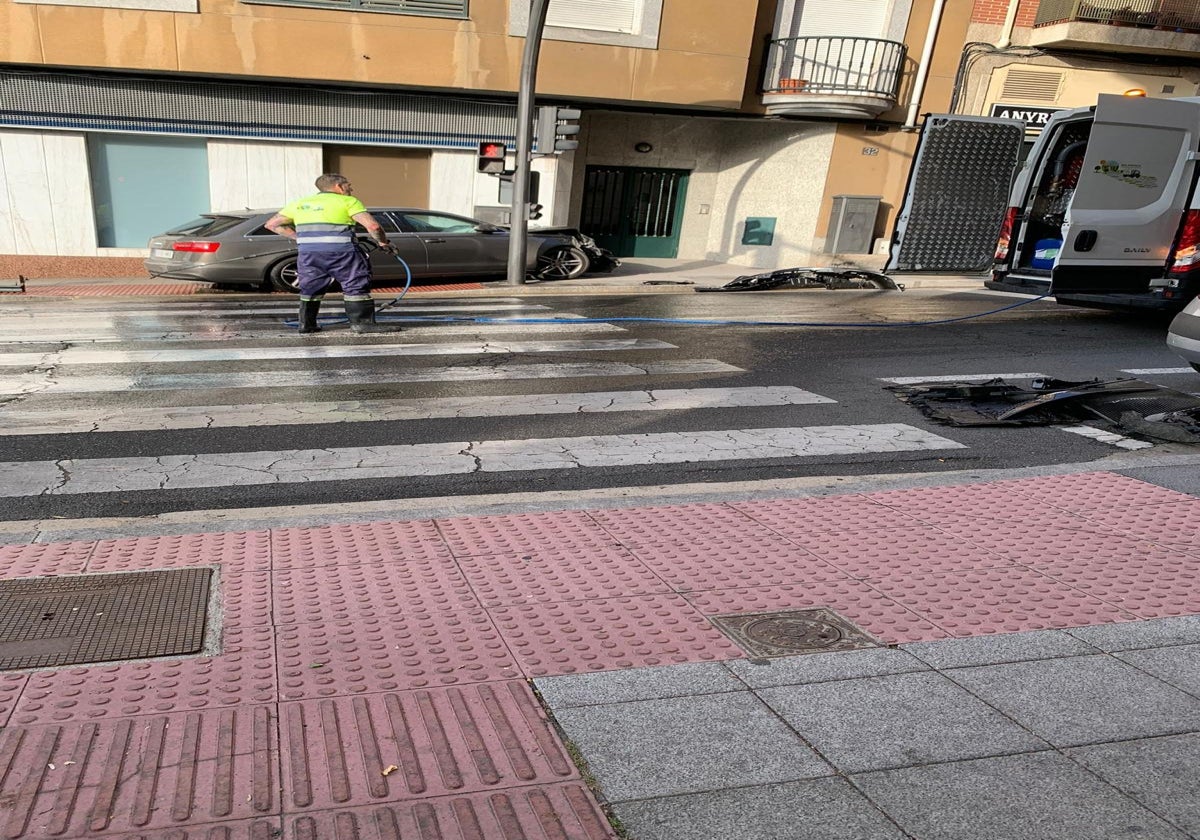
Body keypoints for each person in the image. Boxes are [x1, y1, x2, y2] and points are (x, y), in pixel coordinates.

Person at [265, 173, 400, 334]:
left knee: (310, 288)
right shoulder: (348, 201)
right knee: (355, 285)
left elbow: (272, 225)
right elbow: (373, 227)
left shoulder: (299, 203)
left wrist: (299, 237)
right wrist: (383, 242)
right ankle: (362, 324)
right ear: (339, 186)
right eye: (349, 185)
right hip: (343, 254)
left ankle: (306, 325)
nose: (351, 188)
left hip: (309, 254)